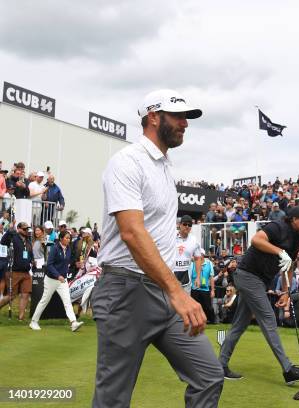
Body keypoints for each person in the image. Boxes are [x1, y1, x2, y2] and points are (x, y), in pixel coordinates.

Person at [92, 89, 223, 407]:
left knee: (209, 376)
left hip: (163, 292)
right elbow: (132, 234)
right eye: (179, 116)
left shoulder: (164, 166)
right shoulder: (126, 162)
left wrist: (174, 291)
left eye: (186, 118)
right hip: (126, 292)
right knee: (113, 399)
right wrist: (178, 293)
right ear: (153, 117)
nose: (185, 124)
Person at [218, 205, 299, 385]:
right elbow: (256, 240)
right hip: (247, 276)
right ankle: (288, 370)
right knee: (269, 318)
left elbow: (289, 268)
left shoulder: (297, 239)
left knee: (239, 324)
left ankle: (220, 366)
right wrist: (279, 251)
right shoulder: (277, 227)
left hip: (258, 281)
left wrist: (285, 292)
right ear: (295, 219)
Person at [29, 230, 84, 331]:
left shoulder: (68, 249)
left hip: (62, 281)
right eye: (66, 238)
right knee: (44, 301)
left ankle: (73, 323)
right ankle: (33, 322)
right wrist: (58, 275)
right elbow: (49, 265)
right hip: (51, 280)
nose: (68, 240)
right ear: (61, 238)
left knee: (67, 301)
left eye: (69, 238)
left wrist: (75, 264)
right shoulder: (54, 248)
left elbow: (67, 262)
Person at [0, 221, 34, 320]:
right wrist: (9, 230)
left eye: (27, 229)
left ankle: (21, 317)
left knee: (25, 294)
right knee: (11, 295)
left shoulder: (28, 240)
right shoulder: (13, 237)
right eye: (24, 229)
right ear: (18, 229)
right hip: (13, 271)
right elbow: (3, 241)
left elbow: (29, 253)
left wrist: (32, 260)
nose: (26, 230)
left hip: (26, 272)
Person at [174, 215, 203, 293]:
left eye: (189, 225)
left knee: (184, 304)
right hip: (171, 277)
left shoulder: (194, 240)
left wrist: (198, 277)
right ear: (179, 224)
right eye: (185, 224)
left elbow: (197, 259)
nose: (187, 226)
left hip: (185, 281)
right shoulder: (171, 236)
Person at [191, 255, 216, 323]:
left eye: (201, 254)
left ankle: (211, 320)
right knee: (195, 307)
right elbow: (190, 276)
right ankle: (196, 320)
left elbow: (211, 277)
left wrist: (212, 290)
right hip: (194, 289)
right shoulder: (192, 263)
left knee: (208, 306)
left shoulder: (209, 263)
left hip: (205, 289)